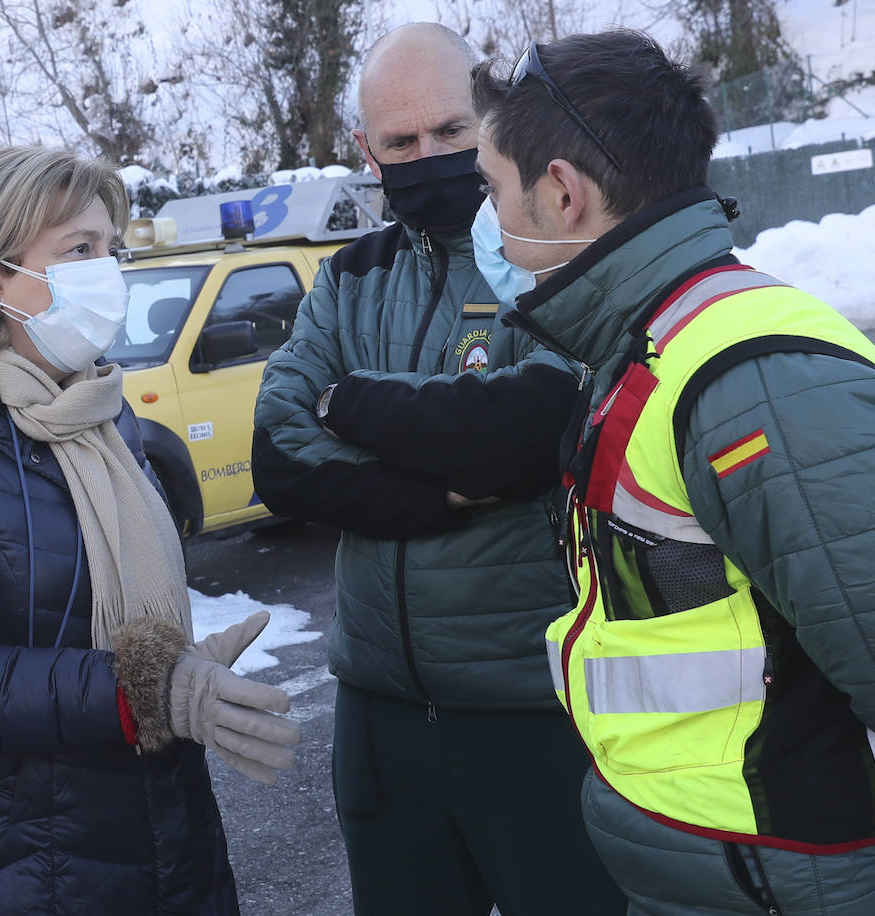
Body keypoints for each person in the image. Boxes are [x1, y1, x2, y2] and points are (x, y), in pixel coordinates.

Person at [467, 30, 875, 916]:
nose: (490, 218)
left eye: (493, 189)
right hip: (739, 866)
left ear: (563, 192)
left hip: (803, 872)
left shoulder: (753, 382)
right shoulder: (644, 339)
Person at [0, 145, 301, 915]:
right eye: (79, 250)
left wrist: (176, 667)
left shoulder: (98, 408)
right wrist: (145, 692)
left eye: (110, 249)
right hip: (9, 865)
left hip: (157, 832)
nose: (106, 273)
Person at [252, 22, 626, 916]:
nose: (428, 157)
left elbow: (528, 433)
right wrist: (441, 491)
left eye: (451, 133)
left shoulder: (557, 263)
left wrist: (351, 409)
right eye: (401, 143)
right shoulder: (350, 277)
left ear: (494, 118)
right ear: (367, 153)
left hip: (537, 713)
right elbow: (277, 455)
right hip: (379, 714)